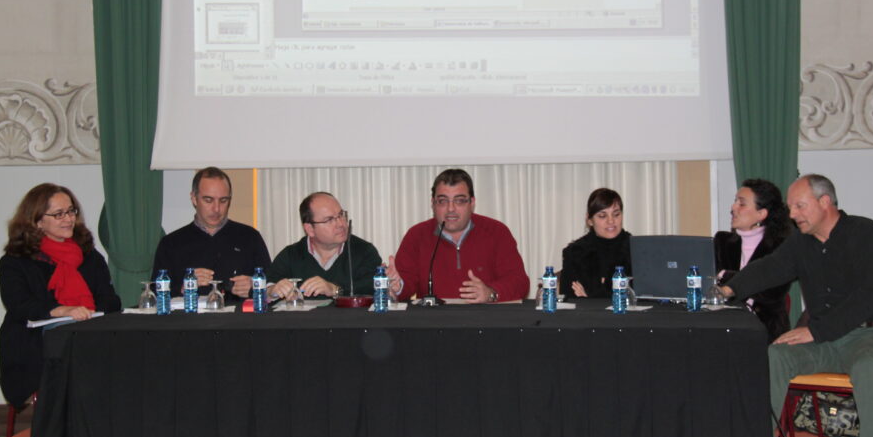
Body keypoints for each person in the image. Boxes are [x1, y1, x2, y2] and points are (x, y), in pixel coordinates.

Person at [718, 174, 873, 437]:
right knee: (775, 355)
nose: (793, 214)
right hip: (825, 340)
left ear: (825, 202)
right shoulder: (800, 242)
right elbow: (770, 268)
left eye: (800, 206)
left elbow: (869, 295)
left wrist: (817, 331)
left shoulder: (867, 233)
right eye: (791, 207)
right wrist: (727, 290)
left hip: (872, 333)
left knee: (866, 366)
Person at [0, 184, 122, 408]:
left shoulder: (89, 256)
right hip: (35, 340)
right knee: (67, 341)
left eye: (71, 211)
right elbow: (19, 305)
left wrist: (91, 312)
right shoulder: (15, 262)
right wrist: (62, 311)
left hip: (88, 330)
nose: (68, 219)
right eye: (58, 214)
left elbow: (110, 299)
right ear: (37, 221)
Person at [390, 168, 529, 303]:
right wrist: (398, 287)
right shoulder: (417, 235)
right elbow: (405, 283)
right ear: (433, 204)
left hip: (485, 321)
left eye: (459, 200)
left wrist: (491, 293)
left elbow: (519, 283)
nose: (451, 209)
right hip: (433, 322)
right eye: (443, 201)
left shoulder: (496, 232)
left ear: (472, 203)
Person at [151, 167, 270, 301]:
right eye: (208, 200)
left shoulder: (250, 237)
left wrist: (256, 286)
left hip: (240, 320)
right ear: (194, 199)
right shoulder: (171, 243)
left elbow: (272, 288)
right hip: (188, 320)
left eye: (223, 200)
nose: (216, 208)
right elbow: (155, 294)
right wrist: (184, 288)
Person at [714, 178, 792, 342]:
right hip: (726, 326)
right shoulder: (722, 241)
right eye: (735, 201)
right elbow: (714, 288)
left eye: (741, 204)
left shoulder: (781, 247)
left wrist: (726, 275)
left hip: (767, 332)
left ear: (761, 214)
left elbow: (771, 293)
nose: (733, 208)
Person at [266, 192, 383, 300]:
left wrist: (335, 290)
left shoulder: (364, 251)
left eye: (341, 215)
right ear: (310, 229)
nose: (341, 224)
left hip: (350, 322)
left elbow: (374, 287)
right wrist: (272, 291)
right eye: (330, 220)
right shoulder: (291, 255)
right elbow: (262, 288)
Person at [560, 188, 631, 298]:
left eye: (616, 214)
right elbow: (569, 300)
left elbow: (644, 298)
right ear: (589, 220)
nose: (611, 221)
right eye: (602, 216)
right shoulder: (574, 253)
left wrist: (590, 299)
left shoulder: (637, 250)